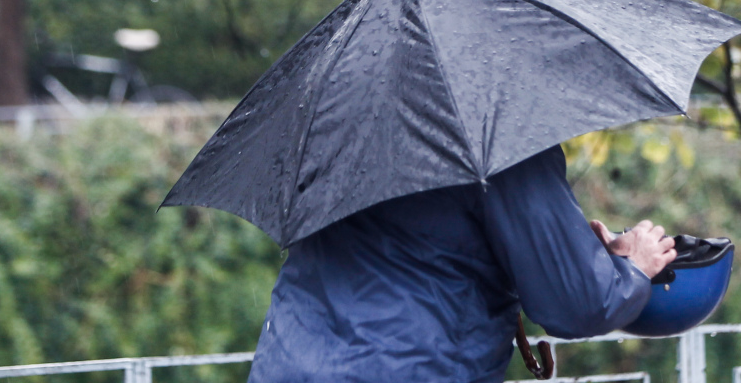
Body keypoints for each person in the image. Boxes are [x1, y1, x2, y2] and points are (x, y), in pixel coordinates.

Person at [247, 145, 677, 382]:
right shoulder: (499, 139)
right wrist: (632, 267)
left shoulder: (334, 130)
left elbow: (415, 252)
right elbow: (579, 305)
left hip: (285, 365)